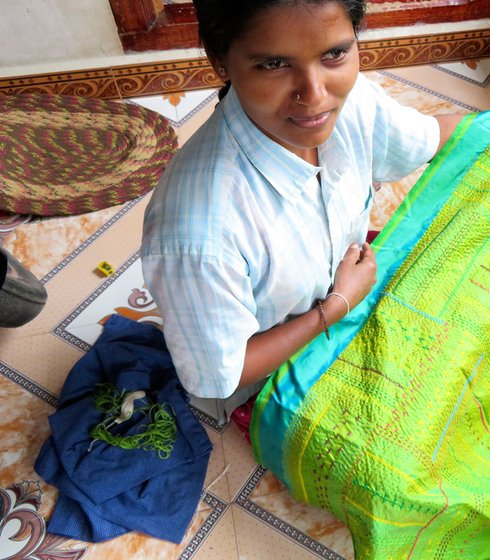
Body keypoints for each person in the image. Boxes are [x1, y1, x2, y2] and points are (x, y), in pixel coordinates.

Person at [140, 0, 464, 414]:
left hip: (350, 289)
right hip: (271, 383)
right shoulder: (199, 232)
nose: (314, 96)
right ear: (220, 60)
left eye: (334, 54)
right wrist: (336, 306)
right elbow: (227, 374)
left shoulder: (353, 102)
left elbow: (433, 135)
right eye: (275, 64)